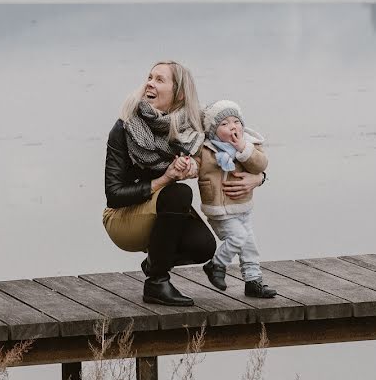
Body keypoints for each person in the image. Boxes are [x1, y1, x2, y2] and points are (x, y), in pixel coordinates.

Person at [103, 60, 216, 306]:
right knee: (178, 192)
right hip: (122, 218)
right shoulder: (125, 126)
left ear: (180, 93)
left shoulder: (191, 126)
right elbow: (113, 194)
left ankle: (155, 261)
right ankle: (156, 282)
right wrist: (165, 178)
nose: (149, 84)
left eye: (159, 80)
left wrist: (256, 178)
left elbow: (239, 147)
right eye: (150, 77)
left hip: (158, 213)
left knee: (204, 247)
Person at [196, 100, 277, 297]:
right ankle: (216, 265)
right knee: (238, 237)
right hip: (220, 211)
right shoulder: (205, 150)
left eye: (236, 121)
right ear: (213, 131)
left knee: (249, 245)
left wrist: (243, 149)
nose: (232, 126)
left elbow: (260, 166)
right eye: (224, 124)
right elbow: (193, 165)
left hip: (243, 207)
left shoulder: (249, 144)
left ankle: (253, 281)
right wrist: (185, 165)